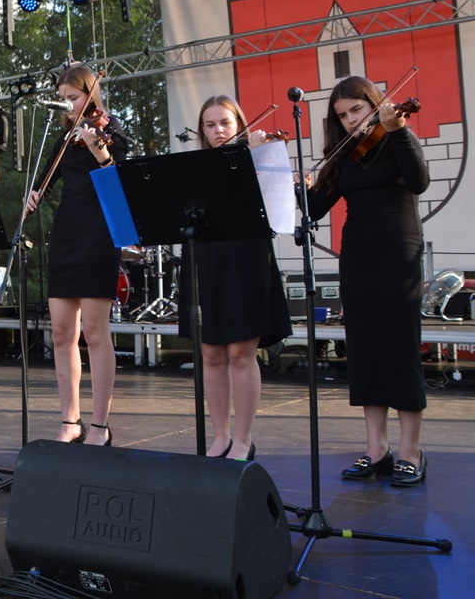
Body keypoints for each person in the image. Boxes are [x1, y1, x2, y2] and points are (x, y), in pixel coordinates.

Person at [305, 75, 430, 487]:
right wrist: (303, 188)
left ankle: (411, 451)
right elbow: (315, 209)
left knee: (400, 348)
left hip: (398, 255)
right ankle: (377, 449)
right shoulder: (345, 155)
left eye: (356, 110)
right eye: (342, 115)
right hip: (357, 258)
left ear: (374, 104)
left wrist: (398, 131)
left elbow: (419, 181)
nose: (350, 120)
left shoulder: (399, 139)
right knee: (365, 350)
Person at [178, 96, 292, 460]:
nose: (218, 131)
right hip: (205, 256)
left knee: (242, 352)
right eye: (210, 125)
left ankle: (243, 439)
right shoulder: (195, 167)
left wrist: (257, 159)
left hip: (246, 255)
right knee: (211, 353)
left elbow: (274, 207)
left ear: (239, 123)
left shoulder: (257, 157)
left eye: (225, 123)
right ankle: (221, 437)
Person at [26, 64, 130, 445]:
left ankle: (100, 423)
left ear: (90, 95)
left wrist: (99, 150)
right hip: (67, 232)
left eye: (73, 97)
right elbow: (45, 179)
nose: (67, 104)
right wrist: (34, 193)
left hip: (100, 230)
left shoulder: (111, 131)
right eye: (63, 98)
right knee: (61, 331)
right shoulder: (65, 138)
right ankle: (70, 420)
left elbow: (120, 181)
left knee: (95, 332)